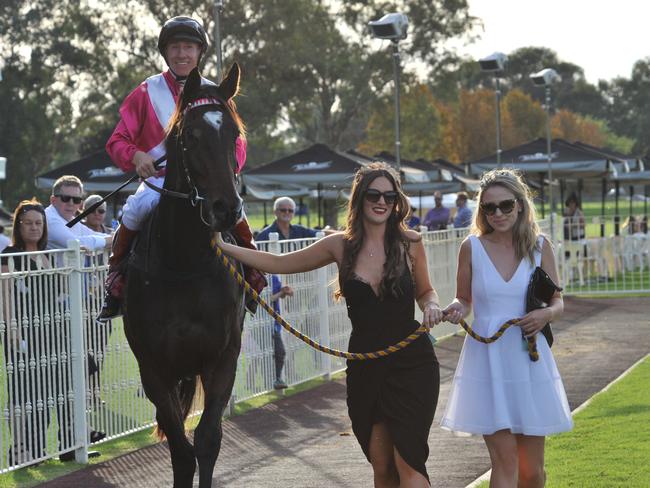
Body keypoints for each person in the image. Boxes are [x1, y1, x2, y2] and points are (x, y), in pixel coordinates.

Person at [217, 162, 443, 486]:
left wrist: (432, 305)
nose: (381, 202)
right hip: (366, 364)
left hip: (412, 362)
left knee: (408, 461)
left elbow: (426, 291)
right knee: (381, 466)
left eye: (389, 197)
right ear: (359, 198)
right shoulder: (339, 245)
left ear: (397, 202)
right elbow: (280, 262)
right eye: (373, 195)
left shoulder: (411, 242)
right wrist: (223, 246)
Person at [99, 15, 265, 320]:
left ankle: (253, 273)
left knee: (236, 211)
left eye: (189, 47)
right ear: (166, 52)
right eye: (175, 47)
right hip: (160, 182)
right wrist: (136, 157)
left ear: (199, 52)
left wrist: (228, 170)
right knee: (135, 209)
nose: (182, 54)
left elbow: (236, 143)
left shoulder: (217, 93)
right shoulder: (146, 92)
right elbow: (117, 140)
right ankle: (116, 280)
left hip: (208, 181)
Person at [440, 168, 572, 487]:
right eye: (489, 207)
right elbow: (464, 298)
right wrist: (457, 308)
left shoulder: (540, 247)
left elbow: (557, 301)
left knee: (532, 471)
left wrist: (545, 316)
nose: (497, 213)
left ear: (520, 205)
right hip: (488, 361)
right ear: (482, 210)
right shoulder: (471, 247)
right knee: (505, 460)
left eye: (505, 205)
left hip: (528, 360)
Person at [1, 200, 104, 462]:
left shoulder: (47, 252)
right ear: (18, 226)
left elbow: (58, 290)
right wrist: (13, 331)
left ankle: (70, 444)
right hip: (25, 333)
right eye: (28, 223)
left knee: (66, 386)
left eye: (39, 223)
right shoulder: (10, 255)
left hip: (54, 330)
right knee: (32, 392)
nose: (34, 228)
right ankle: (30, 450)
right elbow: (6, 295)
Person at [45, 176, 113, 251]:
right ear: (53, 200)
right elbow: (75, 242)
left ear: (80, 203)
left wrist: (113, 238)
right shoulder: (50, 218)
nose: (71, 203)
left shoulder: (69, 218)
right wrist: (111, 240)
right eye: (65, 198)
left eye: (76, 200)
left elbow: (91, 234)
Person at [269, 275, 293, 389]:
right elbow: (267, 299)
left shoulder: (274, 277)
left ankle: (276, 379)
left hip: (275, 323)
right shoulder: (266, 278)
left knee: (276, 353)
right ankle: (276, 379)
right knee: (277, 352)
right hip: (267, 323)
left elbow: (279, 296)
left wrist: (285, 291)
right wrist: (280, 293)